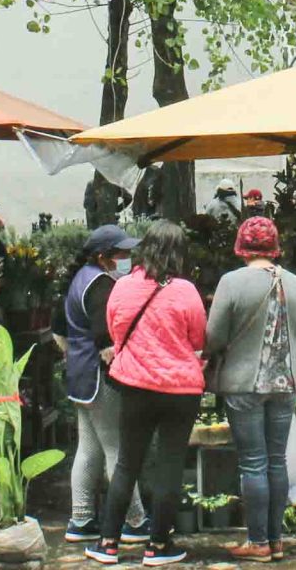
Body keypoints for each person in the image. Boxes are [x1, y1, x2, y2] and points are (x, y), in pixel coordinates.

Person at [87, 222, 207, 567]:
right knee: (169, 467)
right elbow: (198, 338)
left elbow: (114, 330)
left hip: (136, 386)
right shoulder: (186, 291)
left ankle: (107, 543)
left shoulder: (122, 287)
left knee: (127, 463)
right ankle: (158, 546)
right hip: (180, 390)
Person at [207, 217, 296, 563]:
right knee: (275, 461)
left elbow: (214, 338)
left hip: (244, 386)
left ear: (242, 248)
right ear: (274, 247)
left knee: (252, 463)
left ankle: (257, 543)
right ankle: (276, 540)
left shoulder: (231, 283)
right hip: (285, 385)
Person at [55, 225, 148, 545]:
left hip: (80, 377)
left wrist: (75, 356)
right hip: (99, 378)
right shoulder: (100, 285)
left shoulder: (79, 279)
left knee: (89, 449)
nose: (127, 258)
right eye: (121, 253)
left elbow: (59, 332)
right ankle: (135, 520)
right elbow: (105, 339)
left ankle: (80, 519)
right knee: (116, 449)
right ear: (102, 257)